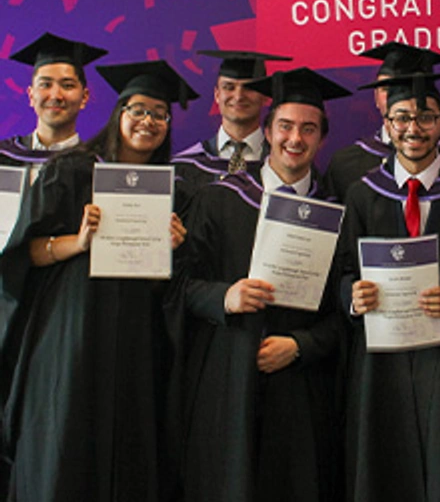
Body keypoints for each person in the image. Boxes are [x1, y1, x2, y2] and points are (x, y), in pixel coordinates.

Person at [0, 59, 198, 502]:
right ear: (119, 113)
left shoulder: (175, 192)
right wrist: (79, 240)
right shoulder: (70, 170)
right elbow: (23, 254)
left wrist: (169, 252)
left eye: (159, 114)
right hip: (71, 333)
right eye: (138, 110)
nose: (148, 122)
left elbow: (166, 290)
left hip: (134, 341)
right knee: (67, 441)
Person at [172, 67, 350, 502]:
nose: (295, 139)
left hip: (299, 386)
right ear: (267, 131)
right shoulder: (221, 196)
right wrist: (224, 297)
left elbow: (342, 313)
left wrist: (303, 345)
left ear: (322, 139)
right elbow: (178, 286)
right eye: (285, 126)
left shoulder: (336, 211)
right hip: (227, 373)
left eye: (309, 129)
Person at [339, 69, 440, 502]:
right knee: (382, 461)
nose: (414, 129)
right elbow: (339, 273)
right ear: (387, 124)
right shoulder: (362, 193)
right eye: (402, 118)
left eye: (426, 117)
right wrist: (352, 297)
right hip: (381, 358)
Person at [323, 42, 440, 203]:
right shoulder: (345, 163)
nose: (395, 98)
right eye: (386, 88)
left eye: (406, 87)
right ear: (376, 97)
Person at [171, 49, 291, 203]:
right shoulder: (186, 166)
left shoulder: (284, 163)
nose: (239, 96)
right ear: (217, 95)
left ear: (265, 97)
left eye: (249, 88)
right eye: (229, 87)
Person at [0, 32, 107, 180]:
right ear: (31, 96)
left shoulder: (96, 169)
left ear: (84, 97)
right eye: (45, 84)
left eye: (67, 85)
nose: (56, 95)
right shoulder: (4, 157)